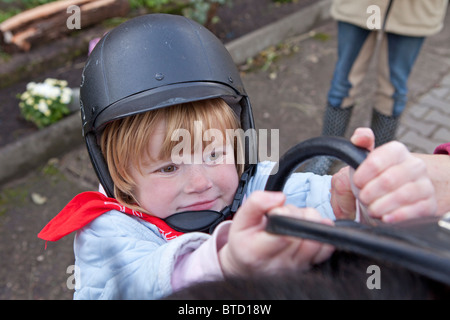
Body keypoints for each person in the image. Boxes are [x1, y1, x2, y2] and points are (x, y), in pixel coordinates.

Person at [38, 14, 437, 300]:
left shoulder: (253, 184)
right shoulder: (106, 230)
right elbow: (128, 285)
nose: (200, 183)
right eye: (169, 166)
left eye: (215, 154)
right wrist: (223, 263)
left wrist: (362, 202)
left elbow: (306, 199)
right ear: (119, 176)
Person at [308, 0, 448, 174]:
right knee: (343, 83)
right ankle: (326, 154)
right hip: (360, 6)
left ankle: (380, 157)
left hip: (415, 11)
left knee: (393, 91)